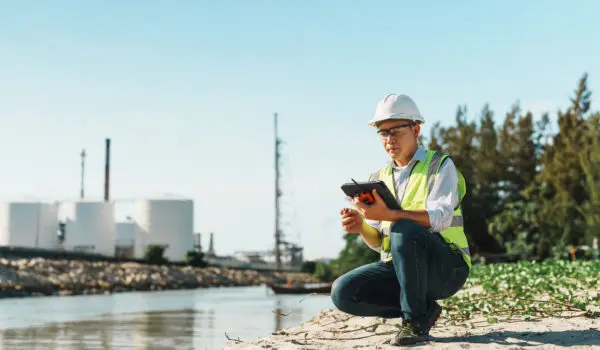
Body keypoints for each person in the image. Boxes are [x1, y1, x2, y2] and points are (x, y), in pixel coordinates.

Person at [331, 94, 472, 346]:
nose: (389, 139)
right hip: (402, 272)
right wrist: (362, 226)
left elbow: (440, 219)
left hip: (446, 268)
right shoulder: (378, 177)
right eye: (383, 132)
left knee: (405, 227)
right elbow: (380, 242)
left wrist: (391, 215)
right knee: (343, 292)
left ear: (416, 129)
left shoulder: (440, 166)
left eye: (396, 130)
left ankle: (415, 324)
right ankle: (424, 309)